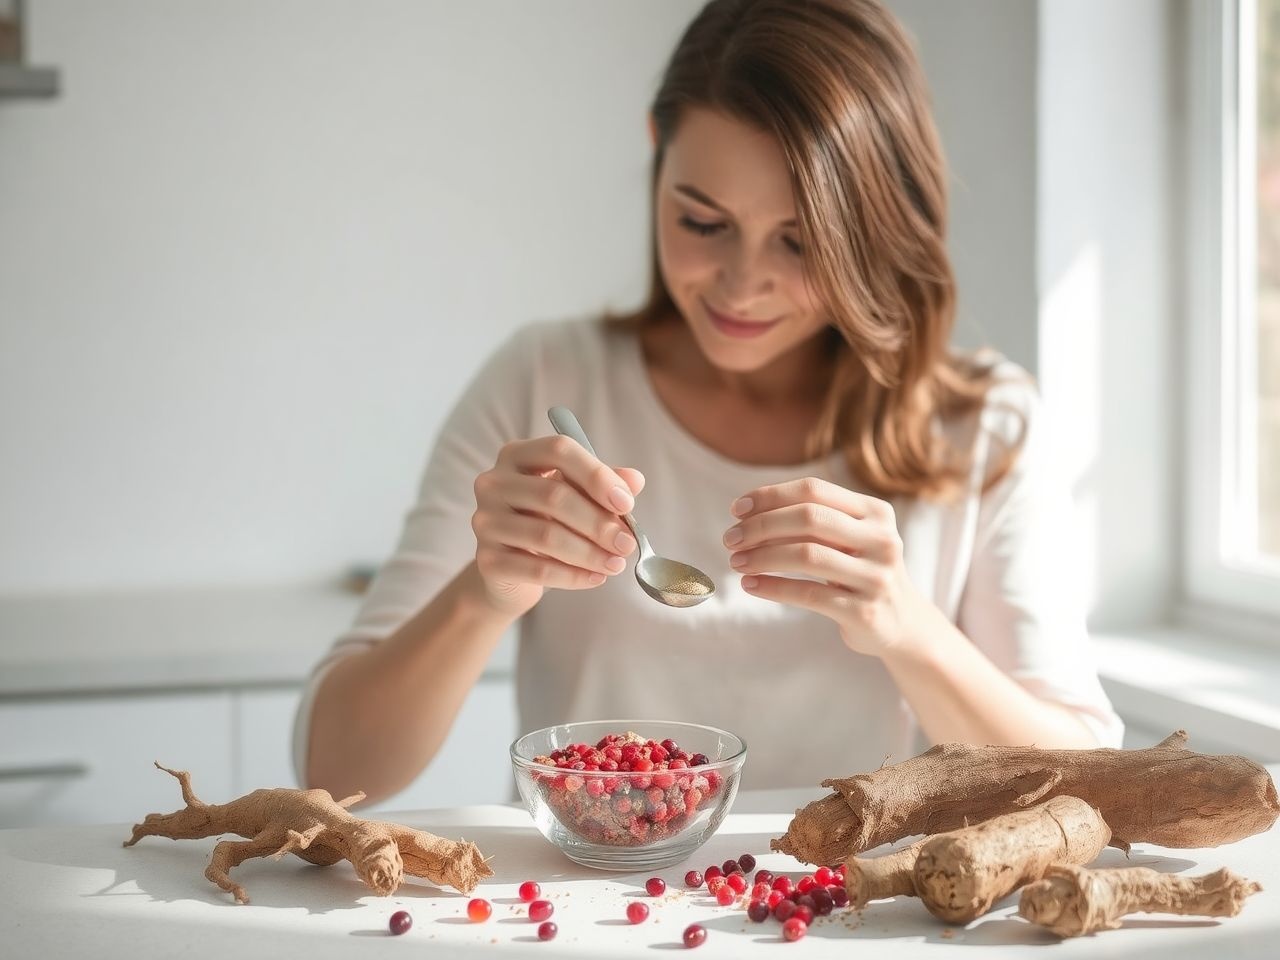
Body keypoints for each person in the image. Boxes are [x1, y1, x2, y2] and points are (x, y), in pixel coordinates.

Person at [294, 0, 1122, 805]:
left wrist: (907, 626)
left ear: (875, 226)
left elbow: (1098, 790)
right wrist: (484, 593)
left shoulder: (982, 426)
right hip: (585, 925)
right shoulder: (544, 379)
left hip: (857, 925)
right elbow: (332, 768)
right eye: (702, 222)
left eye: (799, 241)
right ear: (658, 156)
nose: (740, 283)